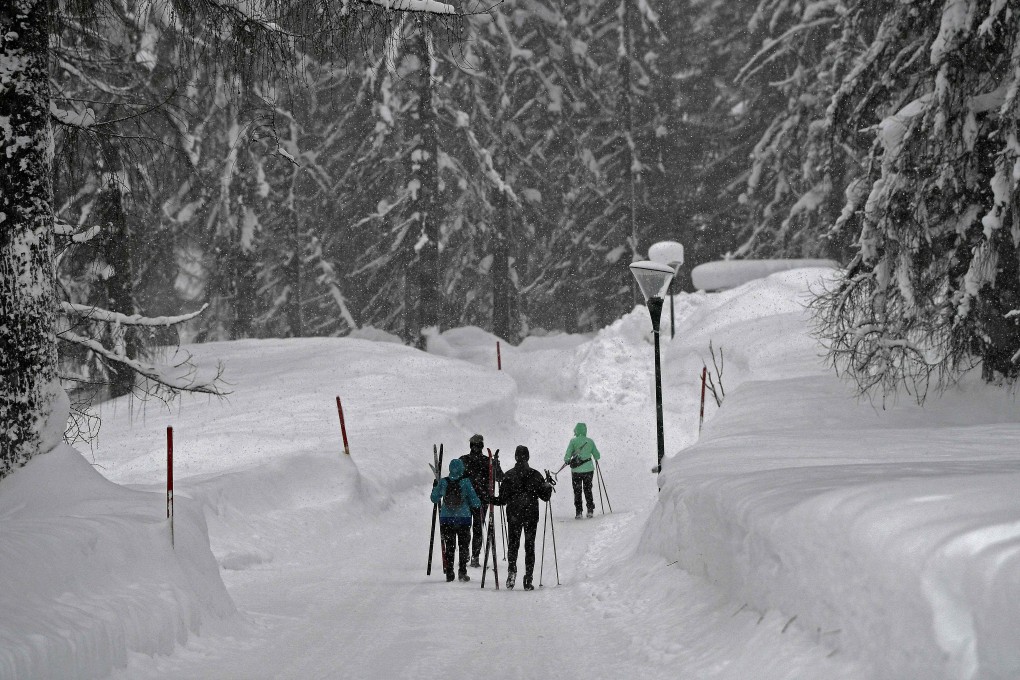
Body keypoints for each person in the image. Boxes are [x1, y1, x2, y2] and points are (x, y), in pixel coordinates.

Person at [490, 445, 553, 590]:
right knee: (529, 546)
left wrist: (490, 499)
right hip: (531, 515)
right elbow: (545, 497)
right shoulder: (536, 475)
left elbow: (502, 500)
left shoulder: (509, 475)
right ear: (528, 457)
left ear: (515, 457)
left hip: (514, 515)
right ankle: (528, 578)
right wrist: (548, 486)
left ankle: (512, 572)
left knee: (513, 545)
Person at [430, 458, 482, 582]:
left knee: (450, 545)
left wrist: (435, 486)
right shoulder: (466, 482)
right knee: (463, 546)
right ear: (462, 468)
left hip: (446, 519)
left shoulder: (443, 482)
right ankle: (462, 572)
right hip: (463, 519)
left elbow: (434, 498)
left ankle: (449, 572)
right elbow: (476, 502)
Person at [459, 434, 503, 568]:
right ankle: (474, 556)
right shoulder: (487, 461)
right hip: (481, 499)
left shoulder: (464, 460)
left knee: (465, 528)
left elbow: (456, 478)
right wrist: (496, 465)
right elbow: (500, 477)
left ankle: (466, 554)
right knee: (477, 528)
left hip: (467, 500)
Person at [564, 422, 601, 519]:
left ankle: (579, 512)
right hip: (588, 470)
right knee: (588, 489)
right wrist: (593, 456)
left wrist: (567, 460)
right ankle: (590, 510)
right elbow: (597, 455)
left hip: (576, 471)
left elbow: (567, 455)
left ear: (576, 430)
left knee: (577, 490)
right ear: (585, 430)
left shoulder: (573, 441)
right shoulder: (590, 441)